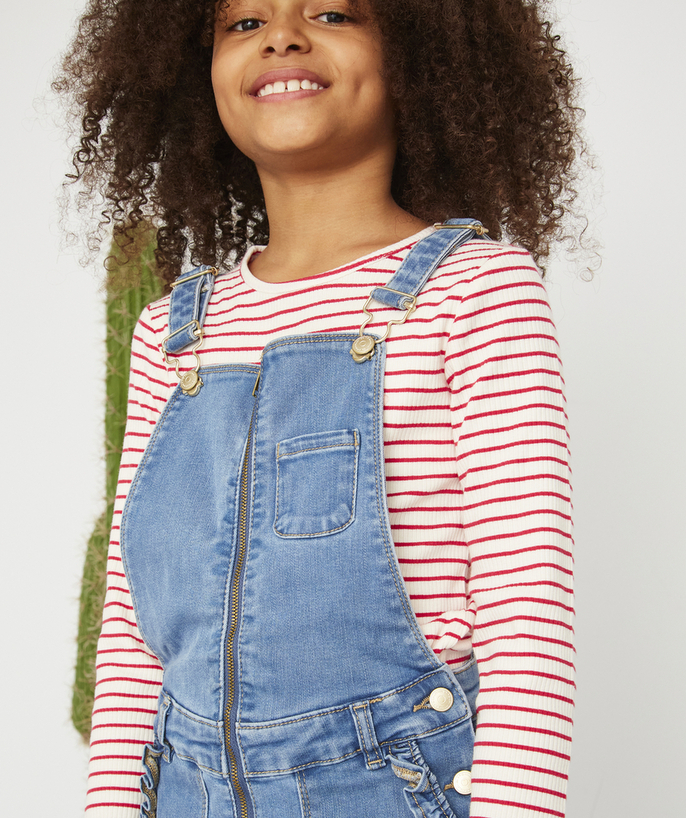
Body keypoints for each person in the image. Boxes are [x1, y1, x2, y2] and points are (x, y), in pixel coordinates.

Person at [57, 1, 580, 816]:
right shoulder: (171, 330)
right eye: (242, 22)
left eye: (333, 11)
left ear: (416, 55)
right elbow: (136, 636)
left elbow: (529, 617)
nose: (283, 36)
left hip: (390, 789)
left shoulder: (474, 291)